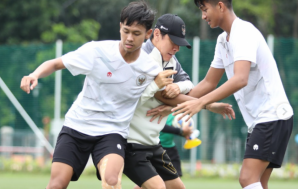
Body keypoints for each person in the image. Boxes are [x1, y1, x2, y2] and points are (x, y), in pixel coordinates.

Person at [20, 1, 176, 189]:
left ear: (148, 34)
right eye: (126, 31)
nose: (129, 38)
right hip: (77, 126)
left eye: (136, 33)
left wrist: (205, 103)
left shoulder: (150, 68)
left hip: (112, 133)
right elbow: (55, 64)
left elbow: (167, 96)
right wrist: (34, 74)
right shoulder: (97, 52)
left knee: (111, 181)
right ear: (120, 27)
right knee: (56, 184)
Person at [171, 1, 294, 189]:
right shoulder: (222, 41)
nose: (203, 16)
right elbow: (208, 83)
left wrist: (200, 103)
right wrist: (174, 101)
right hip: (261, 120)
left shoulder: (243, 32)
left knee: (247, 178)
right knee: (259, 182)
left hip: (272, 116)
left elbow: (240, 79)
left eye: (205, 10)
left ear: (220, 6)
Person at [123, 14, 235, 189]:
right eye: (173, 42)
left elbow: (187, 85)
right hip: (131, 141)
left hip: (152, 142)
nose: (177, 48)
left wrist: (178, 87)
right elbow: (162, 95)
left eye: (179, 44)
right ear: (157, 34)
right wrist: (210, 105)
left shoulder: (170, 61)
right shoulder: (143, 58)